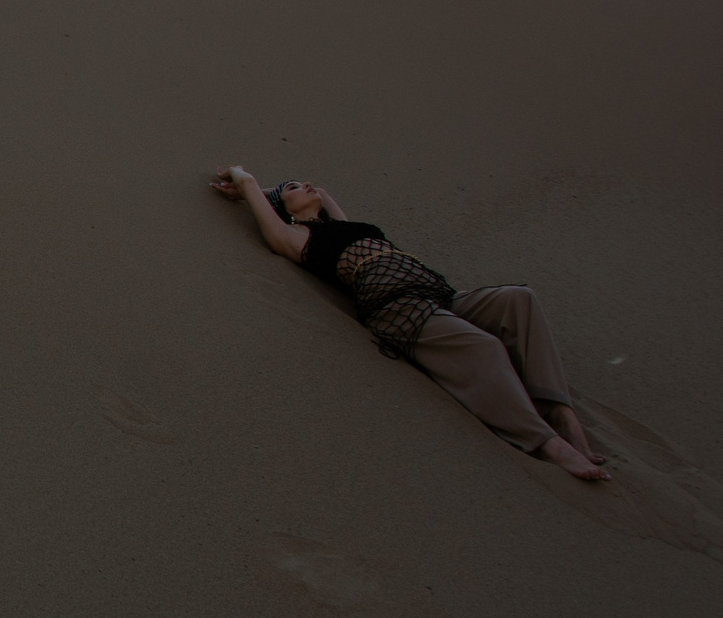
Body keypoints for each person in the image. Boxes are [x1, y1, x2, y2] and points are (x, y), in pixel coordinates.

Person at [210, 165, 610, 482]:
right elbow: (263, 205)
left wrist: (292, 192)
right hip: (399, 309)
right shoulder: (295, 238)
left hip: (441, 295)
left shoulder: (345, 227)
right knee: (483, 347)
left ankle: (560, 413)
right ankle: (544, 442)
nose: (309, 184)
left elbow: (326, 197)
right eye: (296, 186)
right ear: (283, 207)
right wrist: (248, 183)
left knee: (519, 299)